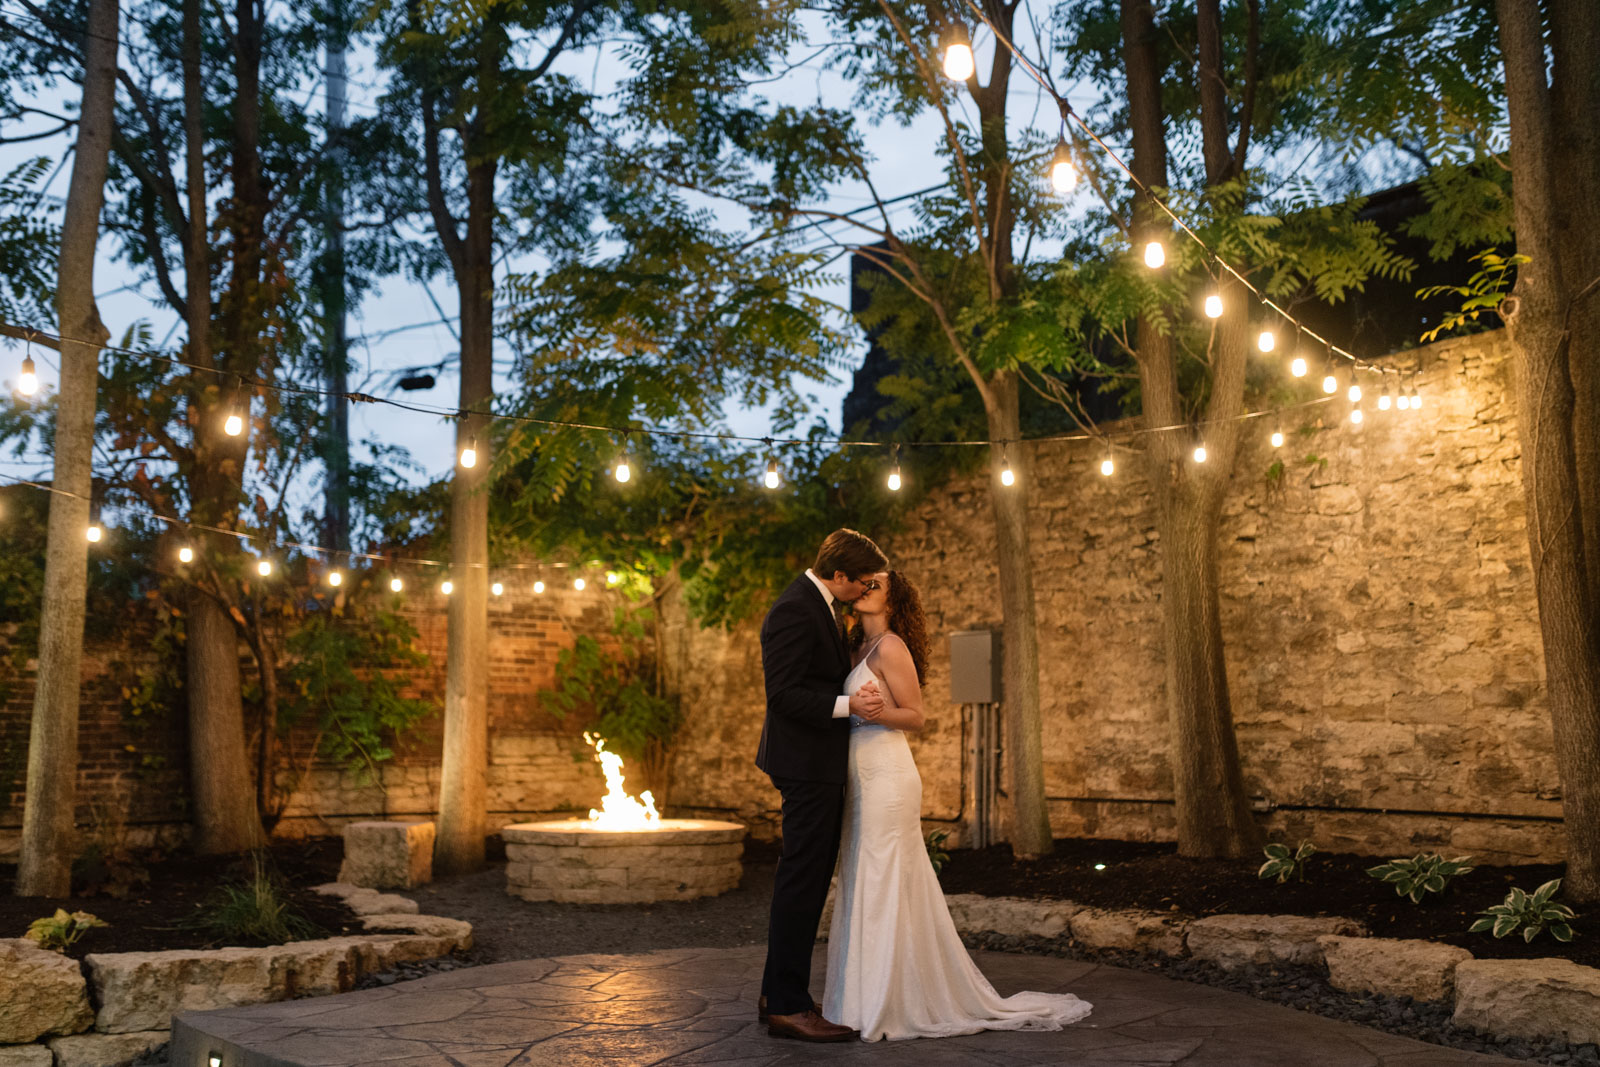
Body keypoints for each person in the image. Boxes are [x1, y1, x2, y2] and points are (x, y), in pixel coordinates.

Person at [823, 569, 1094, 1041]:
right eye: (863, 583)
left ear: (893, 601)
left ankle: (890, 1000)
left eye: (876, 586)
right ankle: (860, 994)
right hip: (857, 775)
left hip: (888, 776)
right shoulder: (853, 648)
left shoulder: (891, 647)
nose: (865, 589)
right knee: (862, 873)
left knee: (886, 873)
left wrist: (875, 711)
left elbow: (917, 716)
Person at [755, 528, 888, 1042]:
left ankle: (775, 992)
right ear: (839, 576)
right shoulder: (795, 609)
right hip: (805, 765)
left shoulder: (821, 604)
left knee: (803, 881)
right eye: (863, 581)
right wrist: (848, 705)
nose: (866, 590)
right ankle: (788, 1006)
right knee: (802, 884)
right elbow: (783, 694)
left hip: (815, 764)